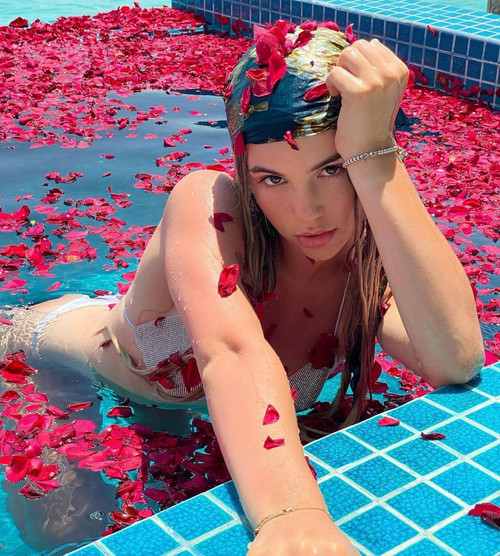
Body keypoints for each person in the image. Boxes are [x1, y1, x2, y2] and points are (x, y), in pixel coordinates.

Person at [0, 20, 484, 555]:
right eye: (272, 178)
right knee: (59, 534)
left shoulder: (368, 271)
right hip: (46, 358)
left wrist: (375, 153)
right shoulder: (208, 203)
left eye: (332, 169)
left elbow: (455, 361)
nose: (306, 211)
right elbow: (231, 353)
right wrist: (293, 517)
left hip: (163, 404)